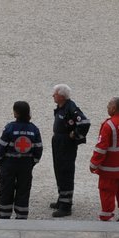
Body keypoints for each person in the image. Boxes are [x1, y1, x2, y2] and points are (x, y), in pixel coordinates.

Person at [0, 100, 43, 219]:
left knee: (6, 188)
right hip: (26, 165)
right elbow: (38, 149)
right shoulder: (34, 130)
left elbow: (2, 147)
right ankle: (22, 216)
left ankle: (4, 215)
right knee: (23, 190)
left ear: (16, 113)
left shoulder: (9, 128)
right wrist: (33, 162)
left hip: (9, 165)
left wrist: (0, 160)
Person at [49, 84, 92, 217]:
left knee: (66, 171)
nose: (53, 96)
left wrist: (75, 134)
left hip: (66, 144)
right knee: (59, 170)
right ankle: (61, 199)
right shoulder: (62, 107)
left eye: (55, 94)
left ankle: (66, 206)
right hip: (58, 142)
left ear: (61, 96)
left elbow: (85, 122)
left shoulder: (71, 107)